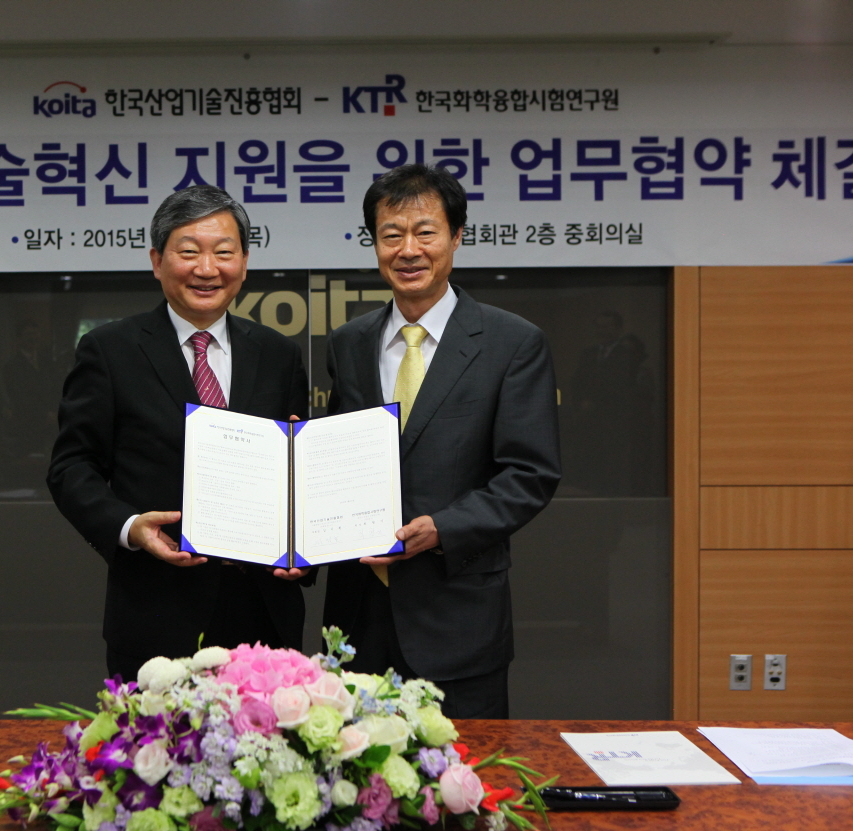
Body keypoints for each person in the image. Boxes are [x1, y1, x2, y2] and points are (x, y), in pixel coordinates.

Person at [321, 164, 561, 718]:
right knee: (356, 792)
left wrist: (442, 529)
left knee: (464, 792)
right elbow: (340, 457)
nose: (408, 249)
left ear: (456, 236)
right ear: (374, 243)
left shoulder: (512, 343)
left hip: (458, 617)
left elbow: (530, 474)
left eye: (425, 232)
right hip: (357, 618)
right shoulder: (349, 343)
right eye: (391, 235)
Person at [47, 185, 310, 681]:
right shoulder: (110, 350)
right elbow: (71, 468)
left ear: (244, 262)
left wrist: (304, 548)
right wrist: (129, 528)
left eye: (223, 252)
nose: (207, 268)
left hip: (264, 616)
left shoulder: (279, 354)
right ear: (157, 260)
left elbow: (295, 476)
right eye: (188, 252)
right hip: (155, 613)